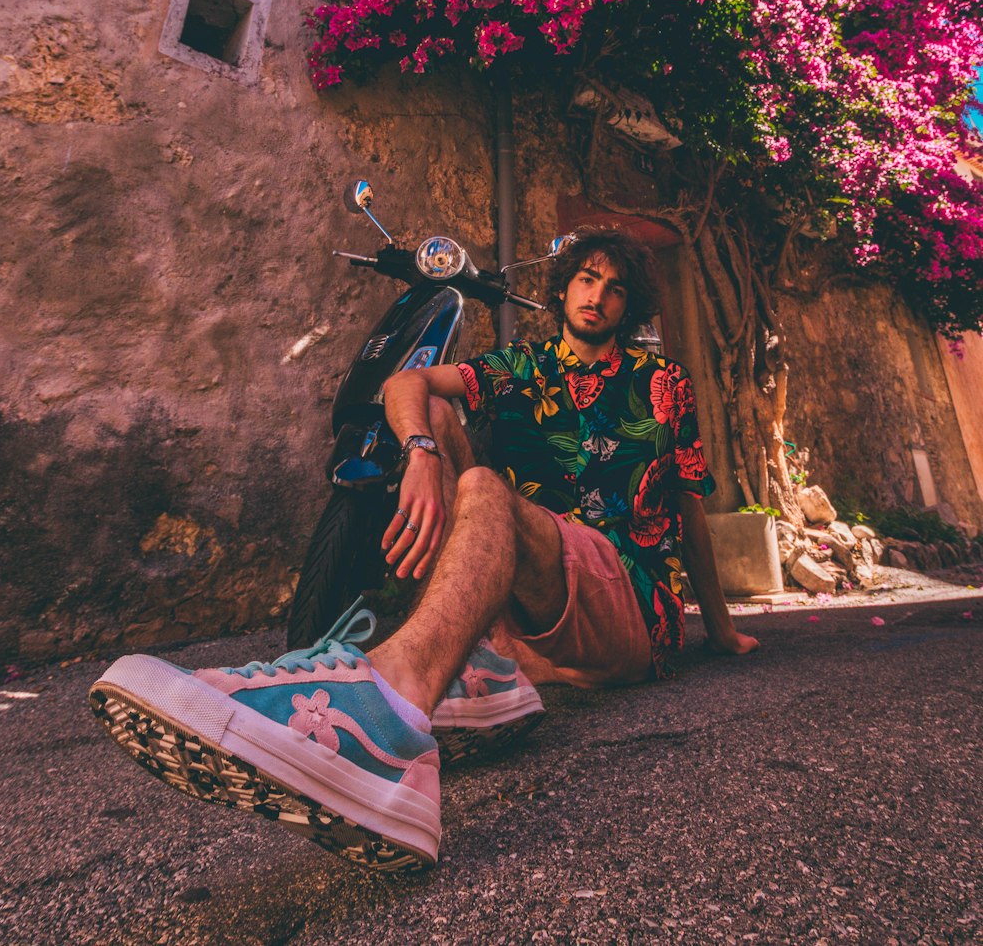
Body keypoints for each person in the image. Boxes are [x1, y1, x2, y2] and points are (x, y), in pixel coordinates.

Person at [90, 228, 757, 874]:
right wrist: (418, 452)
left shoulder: (662, 380)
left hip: (624, 605)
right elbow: (404, 386)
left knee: (483, 490)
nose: (597, 296)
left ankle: (389, 722)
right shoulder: (523, 366)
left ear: (628, 306)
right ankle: (487, 667)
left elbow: (689, 503)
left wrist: (720, 629)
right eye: (587, 278)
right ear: (563, 290)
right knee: (437, 418)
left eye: (614, 289)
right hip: (533, 602)